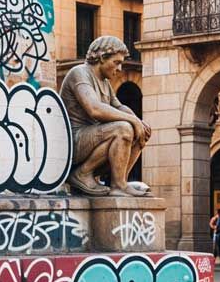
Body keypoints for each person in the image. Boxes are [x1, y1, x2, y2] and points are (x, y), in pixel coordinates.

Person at [60, 36, 152, 197]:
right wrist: (132, 120)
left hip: (93, 139)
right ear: (102, 58)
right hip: (74, 141)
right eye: (116, 62)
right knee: (123, 129)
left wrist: (138, 122)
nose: (119, 68)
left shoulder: (104, 82)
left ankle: (120, 181)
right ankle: (85, 174)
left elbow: (118, 106)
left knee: (140, 131)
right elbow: (94, 109)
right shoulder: (79, 73)